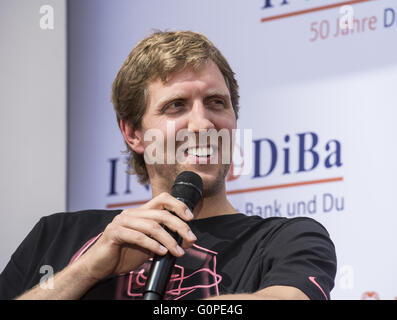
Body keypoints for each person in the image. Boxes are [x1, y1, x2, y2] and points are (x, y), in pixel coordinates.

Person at [0, 30, 336, 300]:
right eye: (176, 106)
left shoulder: (287, 238)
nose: (202, 124)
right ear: (133, 133)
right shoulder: (57, 235)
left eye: (217, 103)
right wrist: (87, 269)